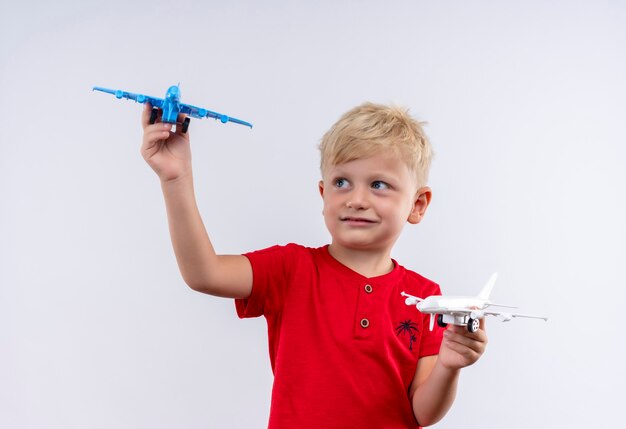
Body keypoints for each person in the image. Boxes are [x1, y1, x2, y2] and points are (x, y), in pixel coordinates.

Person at [140, 102, 488, 428]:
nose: (356, 199)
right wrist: (176, 179)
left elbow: (421, 413)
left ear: (418, 204)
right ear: (323, 195)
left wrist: (448, 365)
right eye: (341, 182)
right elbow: (204, 273)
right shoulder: (291, 268)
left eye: (379, 185)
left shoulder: (426, 297)